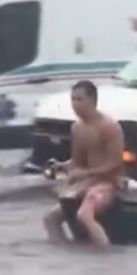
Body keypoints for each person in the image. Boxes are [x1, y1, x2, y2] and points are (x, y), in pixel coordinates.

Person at [42, 80, 125, 247]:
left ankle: (106, 252)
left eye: (79, 100)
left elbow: (116, 163)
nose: (74, 104)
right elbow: (78, 162)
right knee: (50, 219)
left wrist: (87, 174)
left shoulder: (109, 127)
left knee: (84, 215)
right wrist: (62, 166)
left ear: (92, 100)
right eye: (72, 99)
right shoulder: (77, 128)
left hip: (108, 184)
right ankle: (65, 251)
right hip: (87, 183)